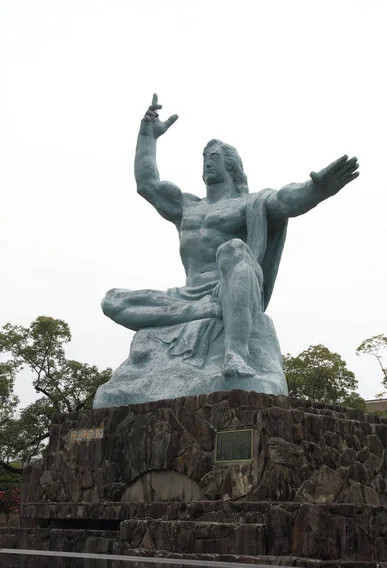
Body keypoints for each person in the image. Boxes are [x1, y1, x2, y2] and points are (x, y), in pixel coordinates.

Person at [102, 94, 359, 378]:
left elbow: (286, 200)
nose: (207, 163)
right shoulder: (187, 206)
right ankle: (204, 311)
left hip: (229, 288)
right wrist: (147, 136)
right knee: (113, 301)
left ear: (231, 165)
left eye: (213, 158)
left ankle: (235, 353)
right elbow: (147, 184)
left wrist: (316, 191)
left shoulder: (251, 203)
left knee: (234, 248)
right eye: (204, 158)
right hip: (188, 297)